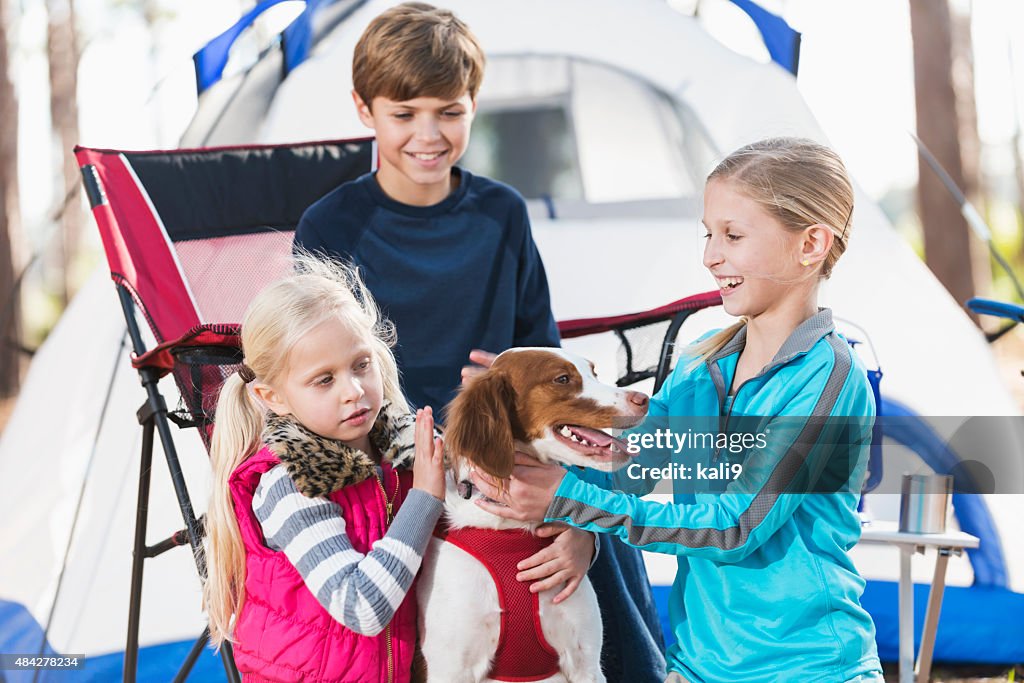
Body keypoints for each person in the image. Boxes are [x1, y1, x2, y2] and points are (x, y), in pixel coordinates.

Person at [293, 4, 666, 680]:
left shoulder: (501, 214)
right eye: (404, 115)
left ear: (473, 105)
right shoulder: (333, 224)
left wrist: (575, 518)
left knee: (593, 509)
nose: (428, 135)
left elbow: (559, 390)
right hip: (394, 462)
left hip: (507, 447)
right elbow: (309, 370)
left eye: (450, 111)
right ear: (363, 109)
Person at [470, 138, 886, 683]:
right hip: (697, 665)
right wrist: (517, 413)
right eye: (709, 233)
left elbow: (735, 526)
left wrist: (570, 504)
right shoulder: (702, 365)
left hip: (808, 668)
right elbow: (628, 473)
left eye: (733, 235)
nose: (711, 255)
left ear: (810, 244)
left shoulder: (827, 377)